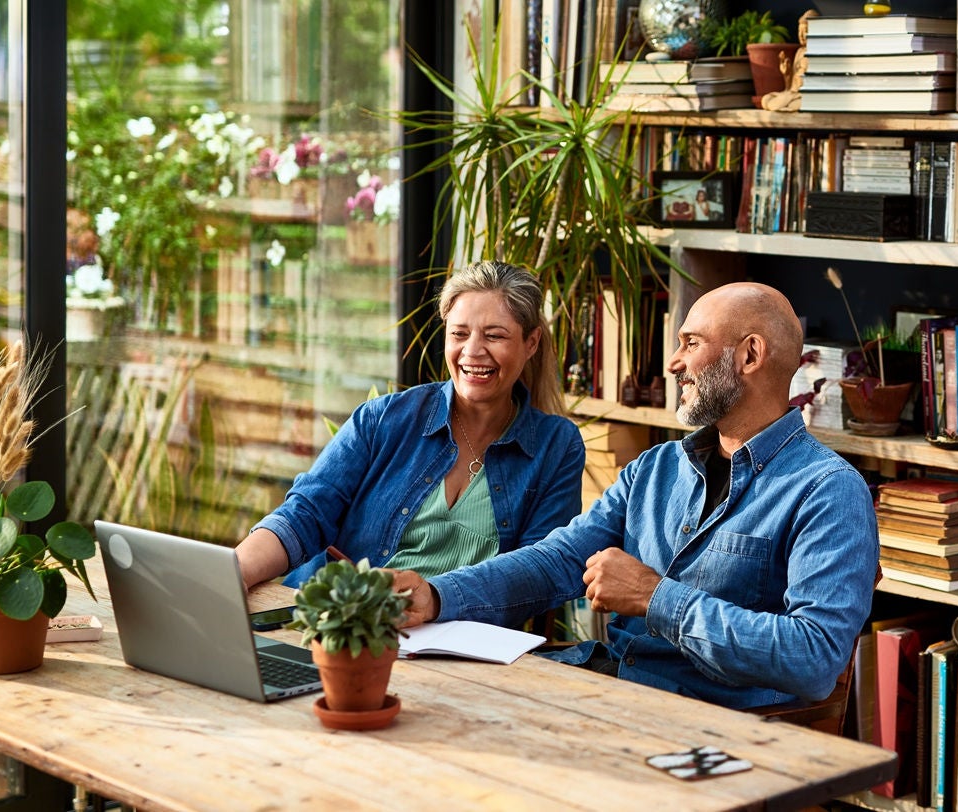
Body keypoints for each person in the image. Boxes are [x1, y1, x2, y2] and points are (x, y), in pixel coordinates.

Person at [393, 282, 879, 710]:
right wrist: (437, 596)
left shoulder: (828, 490)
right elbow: (558, 560)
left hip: (709, 725)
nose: (674, 363)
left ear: (750, 355)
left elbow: (814, 659)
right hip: (608, 689)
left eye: (691, 343)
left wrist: (654, 596)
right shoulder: (656, 466)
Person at [235, 260, 586, 589]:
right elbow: (305, 515)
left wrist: (435, 599)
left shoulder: (556, 447)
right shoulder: (382, 419)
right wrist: (234, 573)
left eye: (494, 336)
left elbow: (536, 573)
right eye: (459, 334)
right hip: (348, 629)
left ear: (531, 342)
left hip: (459, 646)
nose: (472, 351)